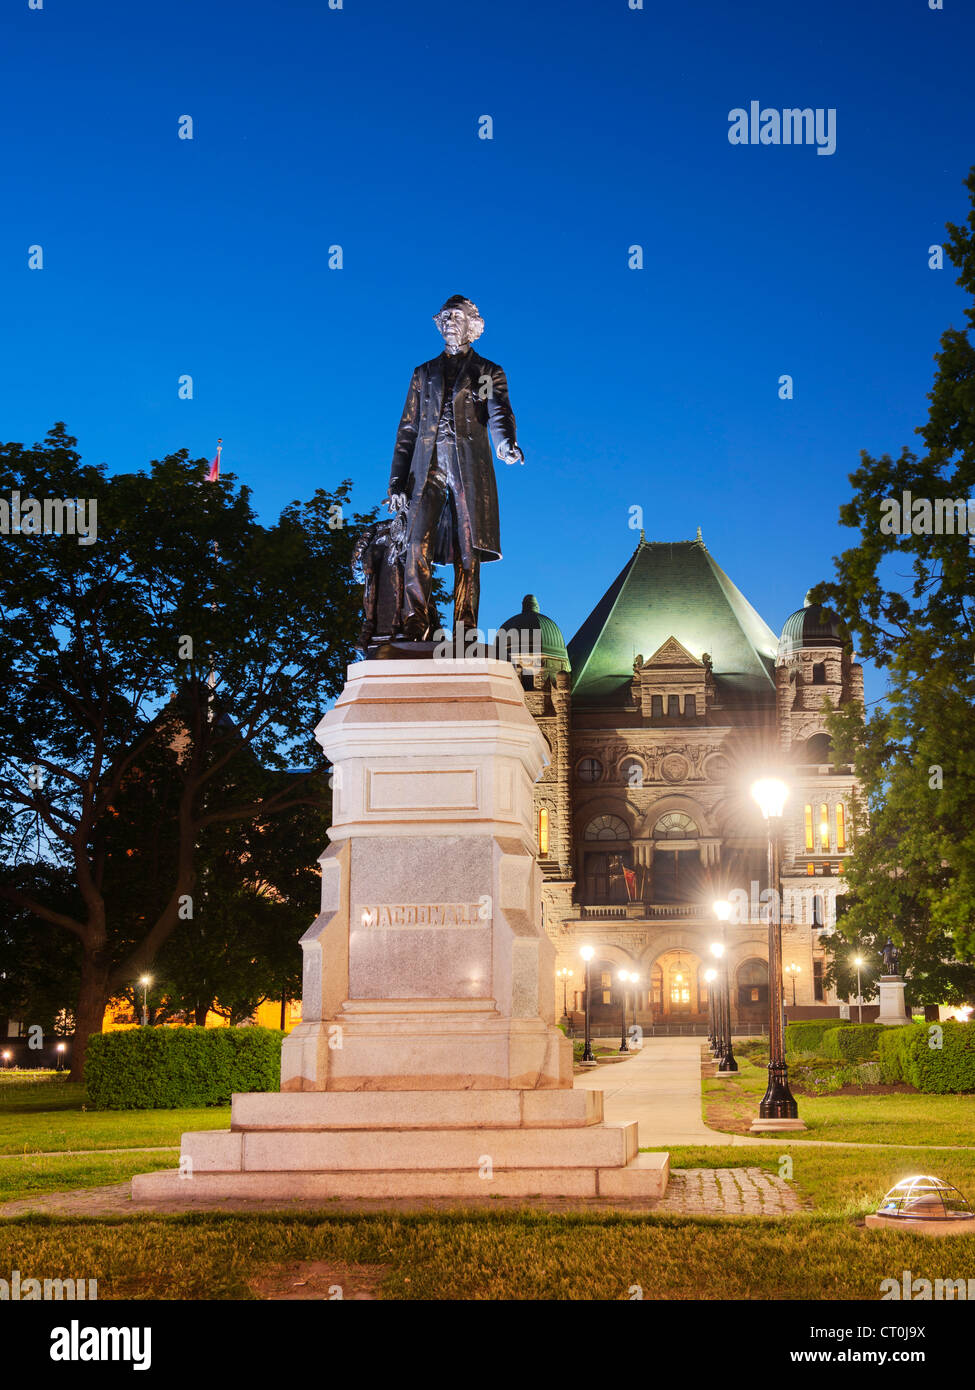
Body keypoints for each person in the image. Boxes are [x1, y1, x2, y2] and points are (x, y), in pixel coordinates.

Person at [386, 295, 524, 639]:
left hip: (468, 468)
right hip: (426, 468)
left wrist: (505, 443)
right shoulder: (423, 373)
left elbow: (498, 412)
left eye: (456, 316)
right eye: (444, 316)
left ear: (472, 327)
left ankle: (465, 627)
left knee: (469, 549)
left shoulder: (487, 371)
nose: (448, 321)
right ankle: (416, 618)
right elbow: (407, 429)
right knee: (416, 542)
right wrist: (396, 482)